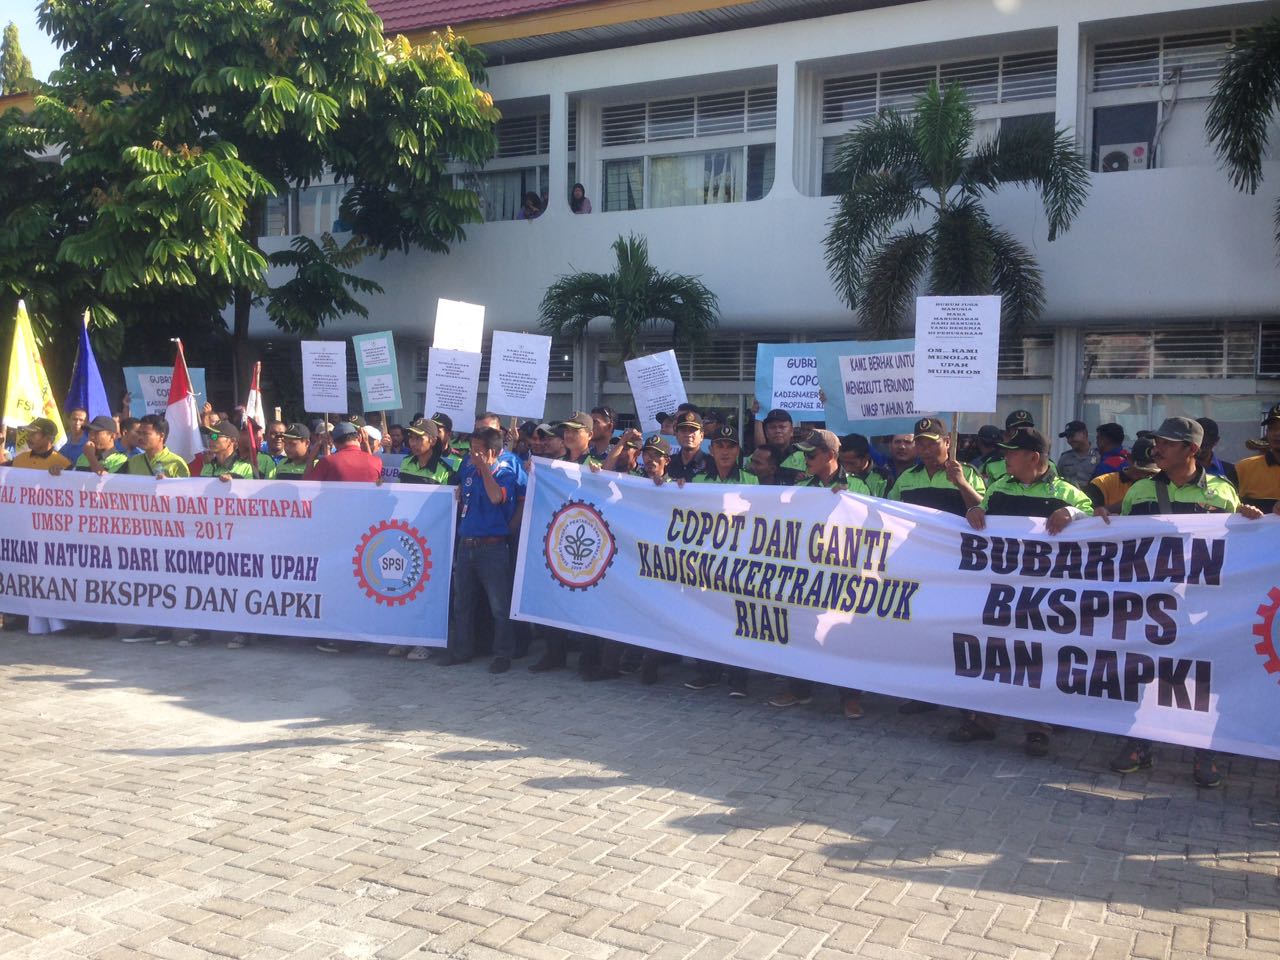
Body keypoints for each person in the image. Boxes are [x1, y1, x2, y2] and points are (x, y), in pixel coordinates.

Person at [1108, 417, 1264, 788]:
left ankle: (1204, 750)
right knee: (1144, 672)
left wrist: (1252, 523)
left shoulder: (1222, 493)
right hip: (1152, 603)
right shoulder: (1140, 491)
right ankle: (1139, 743)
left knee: (1201, 679)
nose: (1157, 449)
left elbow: (1235, 550)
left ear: (1191, 449)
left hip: (1201, 605)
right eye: (1157, 442)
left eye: (1167, 443)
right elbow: (1125, 543)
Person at [958, 429, 1095, 756]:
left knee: (1038, 659)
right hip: (1001, 590)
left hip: (1044, 595)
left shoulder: (1067, 492)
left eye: (1011, 452)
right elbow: (982, 514)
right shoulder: (999, 488)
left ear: (1033, 457)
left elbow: (1093, 520)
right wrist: (973, 511)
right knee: (994, 653)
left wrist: (1072, 514)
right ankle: (985, 721)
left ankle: (1038, 728)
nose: (1004, 457)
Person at [767, 429, 871, 718]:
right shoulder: (803, 488)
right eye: (805, 454)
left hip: (844, 573)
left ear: (831, 455)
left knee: (843, 635)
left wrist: (847, 502)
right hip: (809, 572)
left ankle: (850, 695)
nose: (806, 459)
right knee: (802, 630)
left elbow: (871, 528)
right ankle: (799, 688)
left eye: (811, 454)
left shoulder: (858, 487)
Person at [684, 424, 759, 698]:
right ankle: (708, 672)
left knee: (737, 618)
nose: (725, 452)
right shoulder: (698, 480)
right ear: (712, 450)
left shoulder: (752, 481)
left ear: (738, 451)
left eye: (731, 447)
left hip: (738, 561)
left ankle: (739, 678)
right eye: (720, 446)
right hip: (706, 562)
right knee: (706, 617)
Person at [444, 426, 521, 673]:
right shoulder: (468, 470)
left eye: (477, 451)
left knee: (499, 606)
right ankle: (462, 650)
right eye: (471, 450)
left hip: (492, 547)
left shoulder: (505, 473)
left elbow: (496, 497)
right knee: (462, 602)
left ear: (492, 452)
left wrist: (485, 469)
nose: (472, 455)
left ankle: (503, 654)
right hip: (466, 544)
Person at [8, 418, 71, 637]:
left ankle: (55, 617)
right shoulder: (18, 460)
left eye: (34, 434)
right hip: (21, 526)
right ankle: (21, 614)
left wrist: (62, 477)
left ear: (48, 437)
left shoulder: (63, 463)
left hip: (49, 530)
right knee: (21, 569)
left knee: (49, 572)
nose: (29, 437)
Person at [886, 418, 984, 515]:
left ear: (947, 442)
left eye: (932, 444)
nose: (926, 450)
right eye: (920, 444)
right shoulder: (906, 477)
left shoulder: (967, 473)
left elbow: (985, 510)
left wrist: (962, 484)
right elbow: (888, 511)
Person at [1081, 436, 1159, 511]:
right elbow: (1086, 514)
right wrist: (1124, 505)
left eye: (1152, 473)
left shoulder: (1163, 484)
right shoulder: (1102, 484)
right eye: (1142, 471)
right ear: (1129, 459)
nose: (1146, 477)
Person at [1236, 402, 1280, 514]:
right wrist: (1242, 509)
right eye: (1272, 428)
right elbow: (1229, 508)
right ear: (1266, 432)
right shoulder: (1243, 468)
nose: (1277, 433)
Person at [304, 421, 381, 483]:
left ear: (335, 443)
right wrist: (366, 443)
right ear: (360, 438)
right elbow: (379, 485)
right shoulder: (376, 461)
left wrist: (311, 457)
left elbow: (306, 485)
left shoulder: (328, 461)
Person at [124, 415, 191, 478]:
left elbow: (184, 486)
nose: (140, 437)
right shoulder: (133, 462)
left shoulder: (176, 463)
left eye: (145, 434)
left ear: (161, 436)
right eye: (139, 433)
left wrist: (167, 483)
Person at [753, 407, 806, 482]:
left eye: (782, 427)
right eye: (772, 427)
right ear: (766, 432)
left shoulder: (806, 457)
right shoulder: (754, 458)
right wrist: (758, 416)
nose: (777, 431)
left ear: (792, 431)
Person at [1194, 417, 1238, 487]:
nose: (1202, 449)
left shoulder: (1229, 470)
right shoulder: (1179, 469)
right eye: (1199, 444)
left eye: (1207, 444)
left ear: (1216, 441)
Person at [666, 410, 708, 482]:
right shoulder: (668, 463)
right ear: (676, 435)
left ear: (701, 436)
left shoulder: (712, 464)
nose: (688, 435)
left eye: (692, 430)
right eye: (683, 430)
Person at [1056, 419, 1099, 487]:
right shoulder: (1064, 458)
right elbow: (1058, 481)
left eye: (1072, 436)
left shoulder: (1099, 455)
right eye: (1067, 437)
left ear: (1084, 433)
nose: (1069, 440)